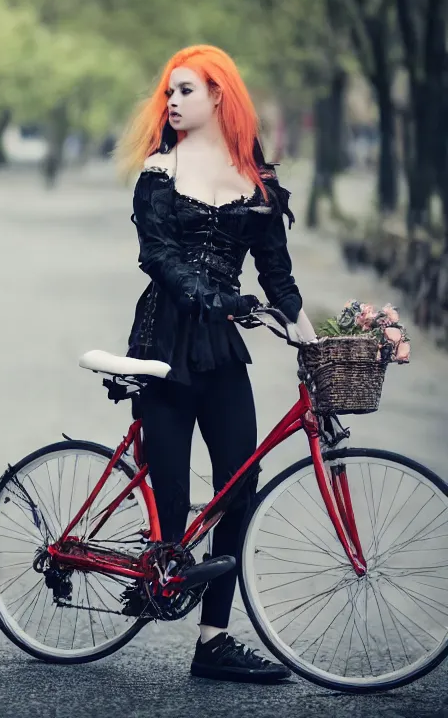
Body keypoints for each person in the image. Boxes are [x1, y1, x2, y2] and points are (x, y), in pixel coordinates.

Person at [116, 45, 316, 683]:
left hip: (221, 351)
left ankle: (214, 641)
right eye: (168, 93)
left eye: (185, 91)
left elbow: (279, 280)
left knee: (238, 487)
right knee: (171, 503)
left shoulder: (255, 184)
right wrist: (219, 298)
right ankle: (157, 571)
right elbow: (159, 259)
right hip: (163, 344)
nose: (171, 102)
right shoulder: (158, 171)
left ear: (218, 96)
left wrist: (311, 341)